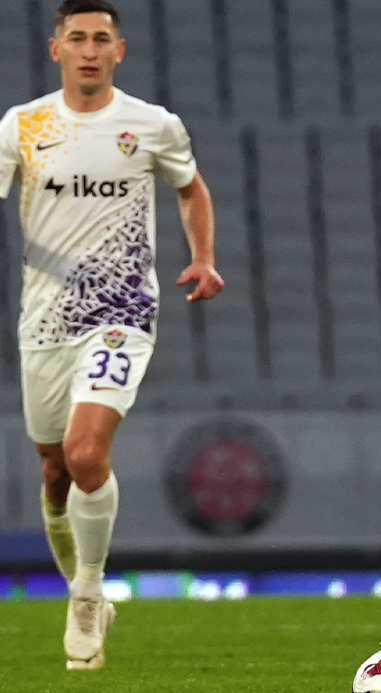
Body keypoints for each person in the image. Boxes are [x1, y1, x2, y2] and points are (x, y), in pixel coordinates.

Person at [0, 0, 223, 670]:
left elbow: (190, 188)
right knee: (54, 472)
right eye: (78, 38)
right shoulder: (23, 126)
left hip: (122, 313)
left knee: (85, 452)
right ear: (57, 49)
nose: (90, 49)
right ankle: (83, 586)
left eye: (102, 38)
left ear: (119, 50)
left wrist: (204, 257)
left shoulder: (151, 125)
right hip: (44, 322)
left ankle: (88, 593)